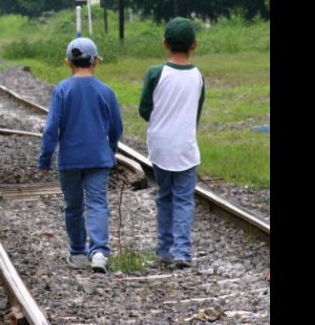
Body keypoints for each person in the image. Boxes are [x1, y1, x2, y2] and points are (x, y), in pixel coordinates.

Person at [38, 37, 123, 272]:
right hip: (98, 158)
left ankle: (77, 252)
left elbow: (51, 129)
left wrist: (45, 158)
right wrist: (112, 147)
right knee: (97, 204)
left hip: (70, 160)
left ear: (68, 62)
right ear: (95, 61)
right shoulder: (105, 91)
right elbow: (116, 127)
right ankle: (98, 253)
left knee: (73, 206)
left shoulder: (62, 90)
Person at [139, 17, 205, 269]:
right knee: (184, 200)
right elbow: (196, 113)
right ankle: (182, 252)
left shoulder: (155, 73)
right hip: (186, 147)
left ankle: (164, 249)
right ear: (194, 45)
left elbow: (145, 109)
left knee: (164, 196)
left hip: (160, 146)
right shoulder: (198, 75)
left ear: (165, 44)